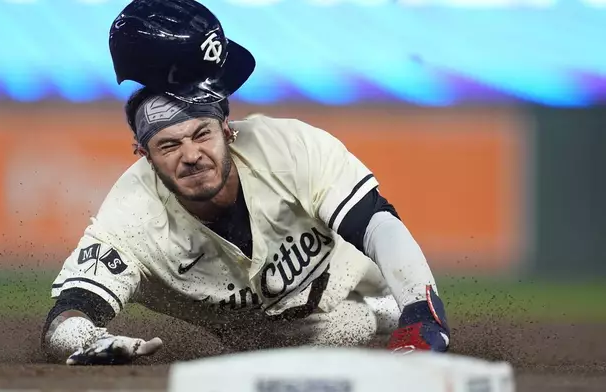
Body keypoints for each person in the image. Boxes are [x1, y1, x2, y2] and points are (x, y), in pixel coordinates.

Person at [41, 0, 450, 366]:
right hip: (284, 341)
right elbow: (66, 314)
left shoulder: (289, 146)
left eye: (202, 134)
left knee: (383, 297)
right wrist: (86, 339)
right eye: (168, 145)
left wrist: (419, 310)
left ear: (227, 130)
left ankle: (386, 309)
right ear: (144, 155)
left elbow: (379, 222)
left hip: (355, 266)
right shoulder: (131, 216)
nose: (190, 155)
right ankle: (376, 314)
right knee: (337, 333)